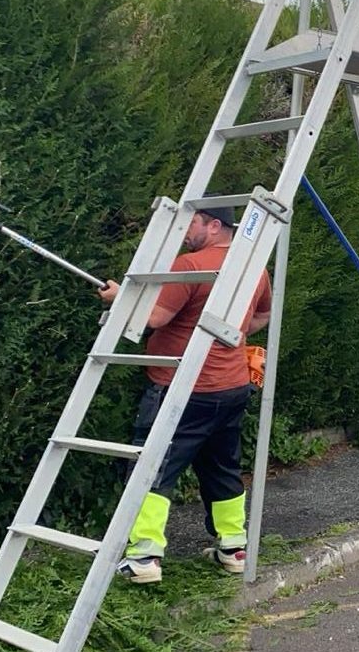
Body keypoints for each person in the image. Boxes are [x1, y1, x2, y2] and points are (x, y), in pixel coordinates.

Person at [97, 206, 271, 584]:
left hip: (179, 387)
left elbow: (154, 318)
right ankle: (233, 548)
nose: (185, 230)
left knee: (153, 468)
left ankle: (144, 555)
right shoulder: (253, 267)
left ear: (213, 225)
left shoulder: (189, 265)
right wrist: (234, 333)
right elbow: (260, 318)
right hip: (231, 388)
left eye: (191, 223)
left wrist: (119, 299)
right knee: (222, 467)